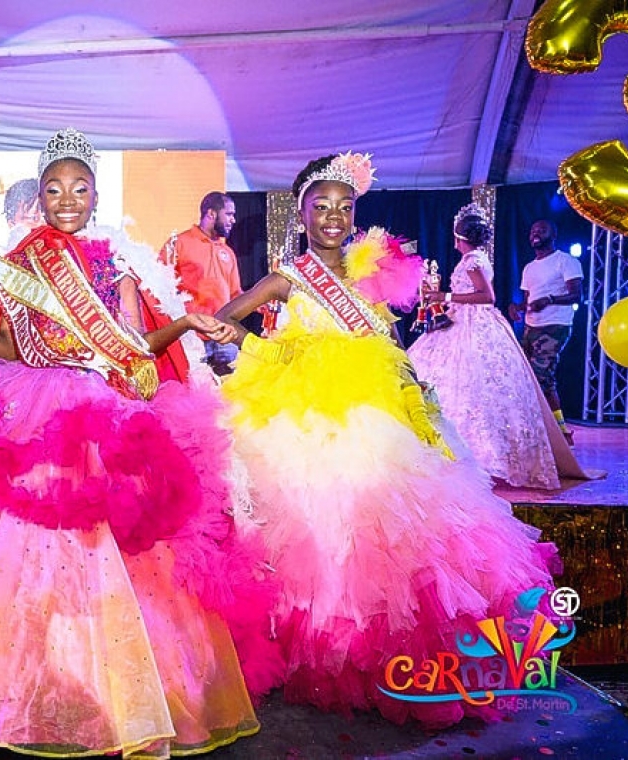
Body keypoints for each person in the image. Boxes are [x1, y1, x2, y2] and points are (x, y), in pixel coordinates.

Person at [0, 128, 279, 758]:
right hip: (31, 415)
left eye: (79, 187)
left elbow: (136, 352)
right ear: (40, 196)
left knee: (116, 551)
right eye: (55, 188)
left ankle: (112, 686)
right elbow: (7, 348)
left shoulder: (116, 266)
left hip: (102, 417)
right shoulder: (15, 267)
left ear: (96, 196)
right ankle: (18, 684)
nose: (67, 198)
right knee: (13, 551)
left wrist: (185, 321)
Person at [215, 153, 560, 728]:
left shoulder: (373, 269)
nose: (332, 216)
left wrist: (415, 394)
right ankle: (320, 646)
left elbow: (390, 339)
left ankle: (386, 657)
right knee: (313, 526)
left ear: (355, 214)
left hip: (376, 407)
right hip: (305, 412)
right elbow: (229, 318)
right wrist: (273, 351)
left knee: (387, 525)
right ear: (299, 214)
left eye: (344, 207)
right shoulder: (289, 276)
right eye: (320, 206)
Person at [407, 205, 591, 489]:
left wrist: (445, 294)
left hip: (474, 326)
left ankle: (477, 456)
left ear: (460, 237)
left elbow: (486, 296)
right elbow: (467, 295)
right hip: (462, 320)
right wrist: (443, 301)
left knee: (472, 384)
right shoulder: (473, 258)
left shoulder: (473, 260)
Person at [511, 219, 583, 445]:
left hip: (555, 325)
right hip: (532, 326)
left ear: (554, 234)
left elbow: (576, 295)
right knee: (542, 379)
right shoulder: (529, 267)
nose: (535, 234)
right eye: (533, 230)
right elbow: (527, 300)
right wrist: (516, 308)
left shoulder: (566, 261)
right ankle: (561, 432)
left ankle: (533, 432)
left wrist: (550, 299)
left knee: (538, 377)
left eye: (541, 230)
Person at [162, 192, 243, 375]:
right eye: (229, 214)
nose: (234, 220)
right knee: (193, 392)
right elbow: (160, 287)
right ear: (212, 214)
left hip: (224, 336)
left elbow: (235, 294)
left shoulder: (227, 252)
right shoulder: (179, 243)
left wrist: (261, 303)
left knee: (231, 394)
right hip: (192, 338)